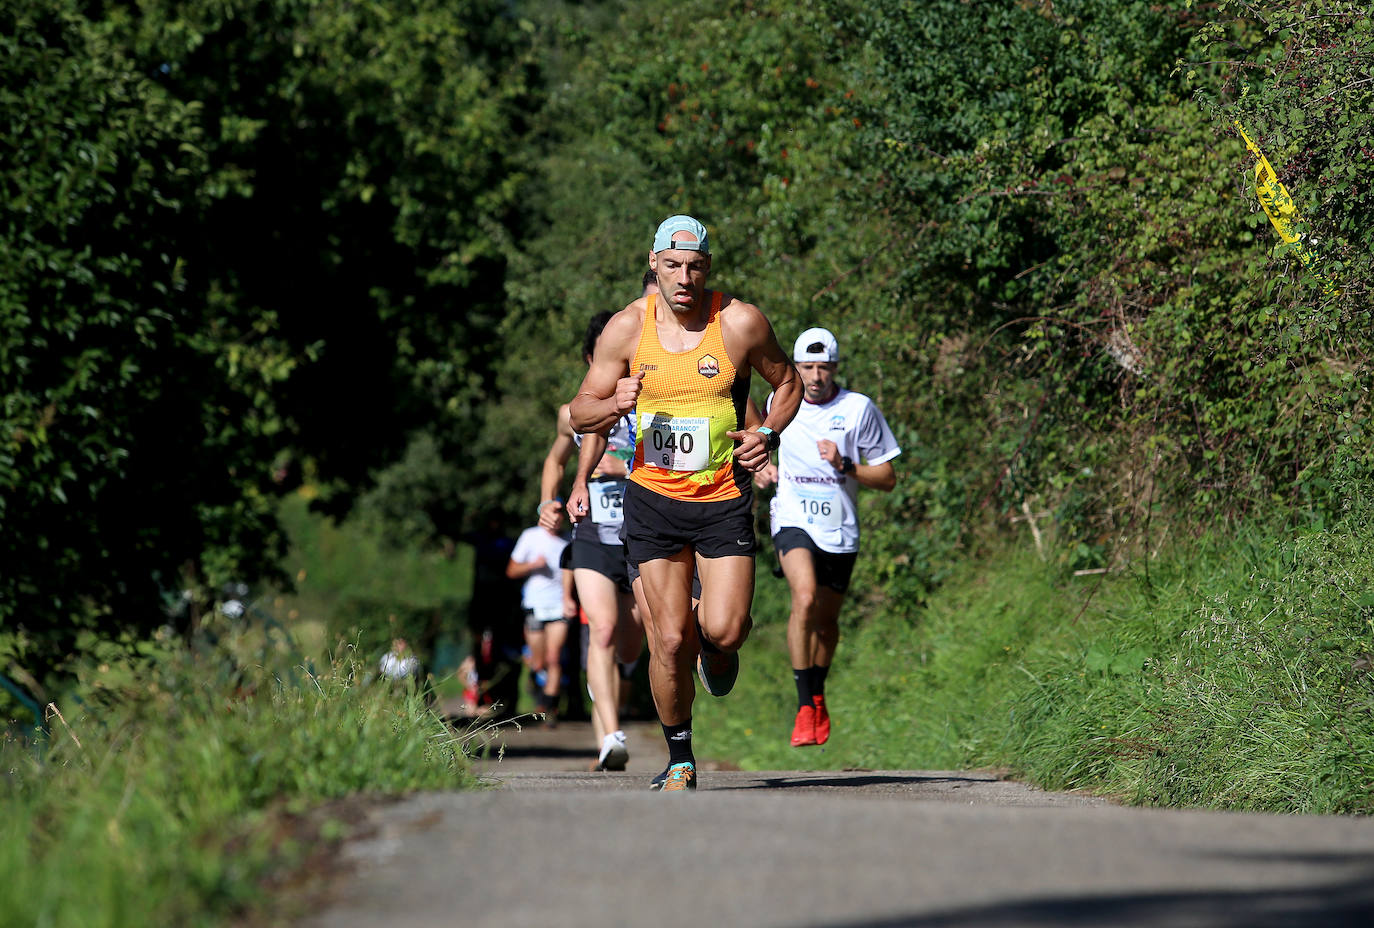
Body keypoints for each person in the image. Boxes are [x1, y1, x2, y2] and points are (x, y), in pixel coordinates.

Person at [570, 214, 802, 793]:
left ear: (708, 269)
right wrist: (613, 404)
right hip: (652, 500)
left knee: (724, 631)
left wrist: (768, 433)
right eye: (672, 265)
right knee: (669, 638)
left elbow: (789, 382)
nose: (684, 277)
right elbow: (579, 411)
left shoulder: (740, 322)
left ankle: (718, 654)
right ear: (654, 264)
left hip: (722, 499)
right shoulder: (627, 328)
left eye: (695, 266)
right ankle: (679, 758)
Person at [755, 327, 901, 747]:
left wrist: (846, 466)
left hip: (839, 524)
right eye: (807, 368)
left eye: (824, 367)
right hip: (792, 514)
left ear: (835, 368)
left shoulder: (858, 410)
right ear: (795, 369)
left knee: (827, 620)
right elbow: (751, 422)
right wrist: (762, 465)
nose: (816, 376)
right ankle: (804, 706)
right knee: (803, 599)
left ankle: (818, 692)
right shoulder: (779, 402)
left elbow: (888, 478)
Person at [538, 284, 656, 770]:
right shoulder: (575, 412)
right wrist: (549, 500)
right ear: (592, 356)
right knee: (602, 631)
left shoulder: (651, 403)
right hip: (591, 536)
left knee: (630, 644)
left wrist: (623, 468)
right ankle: (610, 736)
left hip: (641, 535)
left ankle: (603, 678)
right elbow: (554, 459)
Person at [505, 521, 575, 723]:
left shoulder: (569, 538)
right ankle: (537, 685)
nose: (556, 517)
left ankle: (548, 708)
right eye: (552, 511)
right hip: (535, 605)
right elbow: (511, 571)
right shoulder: (530, 536)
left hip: (560, 605)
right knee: (538, 662)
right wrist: (532, 565)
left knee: (554, 658)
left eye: (559, 512)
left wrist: (569, 597)